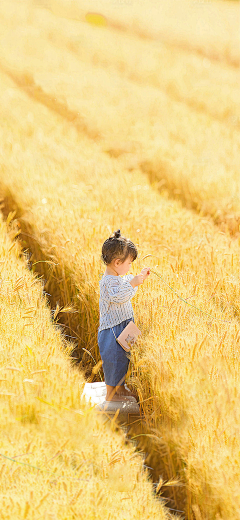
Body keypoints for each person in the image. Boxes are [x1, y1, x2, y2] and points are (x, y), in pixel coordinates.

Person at [98, 229, 150, 402]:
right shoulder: (106, 282)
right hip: (112, 331)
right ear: (117, 262)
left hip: (124, 326)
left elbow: (127, 283)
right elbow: (118, 296)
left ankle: (120, 388)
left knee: (123, 360)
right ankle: (110, 393)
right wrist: (134, 282)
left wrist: (138, 278)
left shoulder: (118, 277)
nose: (130, 268)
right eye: (129, 263)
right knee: (112, 361)